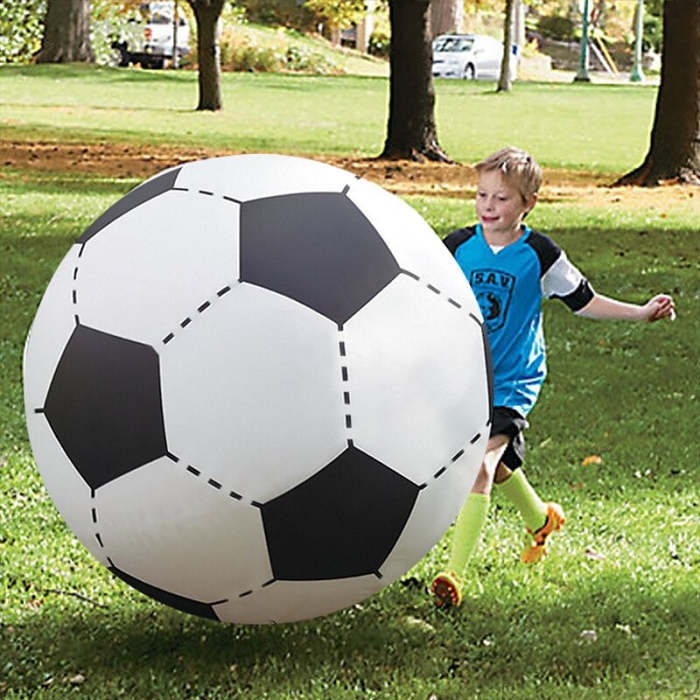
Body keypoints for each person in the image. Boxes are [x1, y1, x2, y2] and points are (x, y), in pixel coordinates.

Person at [431, 146, 676, 608]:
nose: (488, 206)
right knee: (499, 466)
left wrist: (641, 314)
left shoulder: (539, 254)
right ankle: (541, 519)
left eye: (501, 199)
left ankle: (453, 575)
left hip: (512, 381)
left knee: (479, 466)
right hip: (466, 378)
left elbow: (586, 300)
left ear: (528, 204)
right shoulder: (457, 245)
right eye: (482, 195)